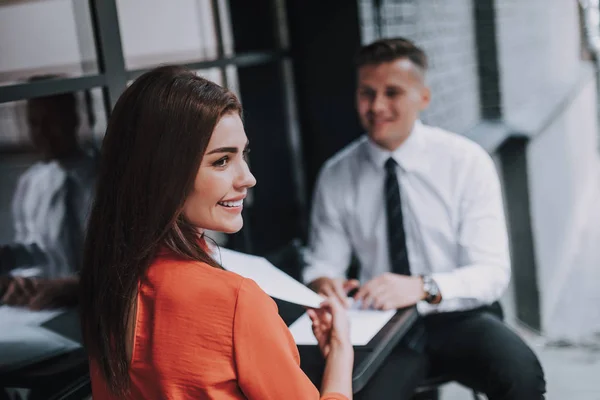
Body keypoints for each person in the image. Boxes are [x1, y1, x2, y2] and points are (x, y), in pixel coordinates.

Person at [79, 65, 354, 399]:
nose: (248, 178)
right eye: (221, 161)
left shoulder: (107, 283)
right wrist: (340, 353)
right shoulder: (235, 300)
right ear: (165, 173)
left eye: (243, 155)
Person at [303, 38, 546, 399]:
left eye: (392, 92)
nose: (377, 106)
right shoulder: (337, 174)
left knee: (521, 375)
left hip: (456, 315)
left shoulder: (466, 162)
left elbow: (491, 273)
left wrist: (422, 286)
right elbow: (324, 260)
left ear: (423, 98)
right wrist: (325, 281)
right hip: (381, 324)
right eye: (366, 93)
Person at [0, 77, 96, 309]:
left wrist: (75, 286)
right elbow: (34, 248)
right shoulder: (31, 182)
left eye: (51, 122)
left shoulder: (104, 177)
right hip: (44, 305)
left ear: (74, 119)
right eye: (34, 123)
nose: (41, 133)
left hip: (93, 303)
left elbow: (121, 261)